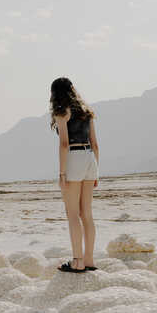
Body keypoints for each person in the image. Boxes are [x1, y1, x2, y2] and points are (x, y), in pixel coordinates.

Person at [49, 77, 100, 273]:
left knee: (72, 214)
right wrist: (96, 171)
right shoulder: (87, 112)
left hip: (74, 157)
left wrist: (62, 173)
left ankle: (77, 261)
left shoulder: (62, 112)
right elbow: (95, 144)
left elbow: (64, 144)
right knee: (87, 214)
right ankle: (89, 260)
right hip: (89, 159)